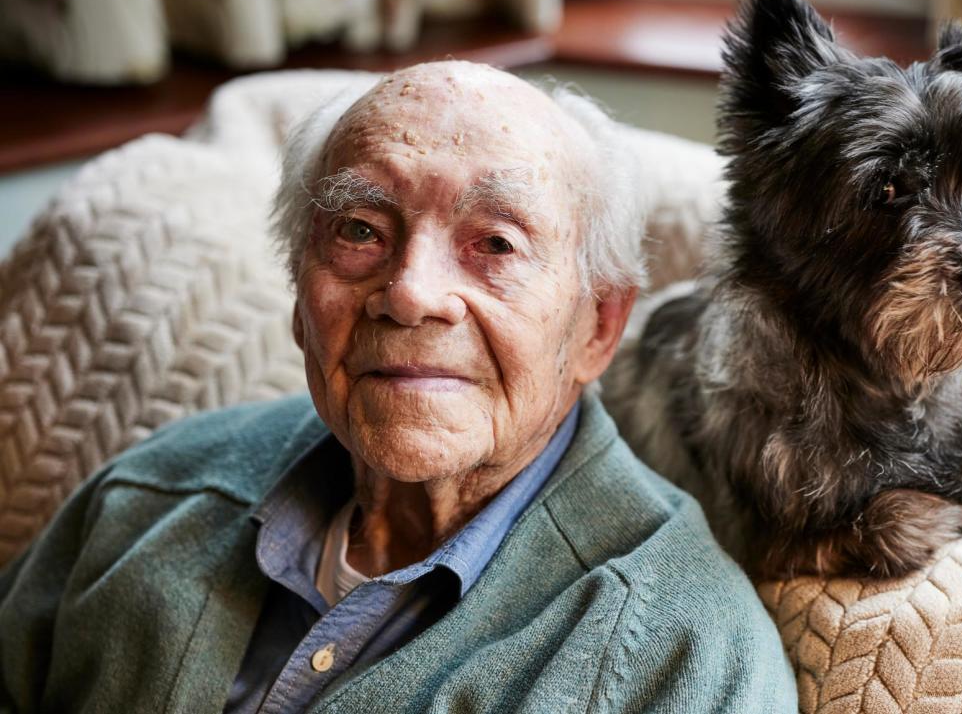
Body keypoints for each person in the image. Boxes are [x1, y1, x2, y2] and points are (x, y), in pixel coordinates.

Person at [0, 62, 797, 713]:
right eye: (359, 230)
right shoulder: (147, 494)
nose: (411, 291)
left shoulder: (687, 658)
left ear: (597, 326)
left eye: (495, 241)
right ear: (300, 295)